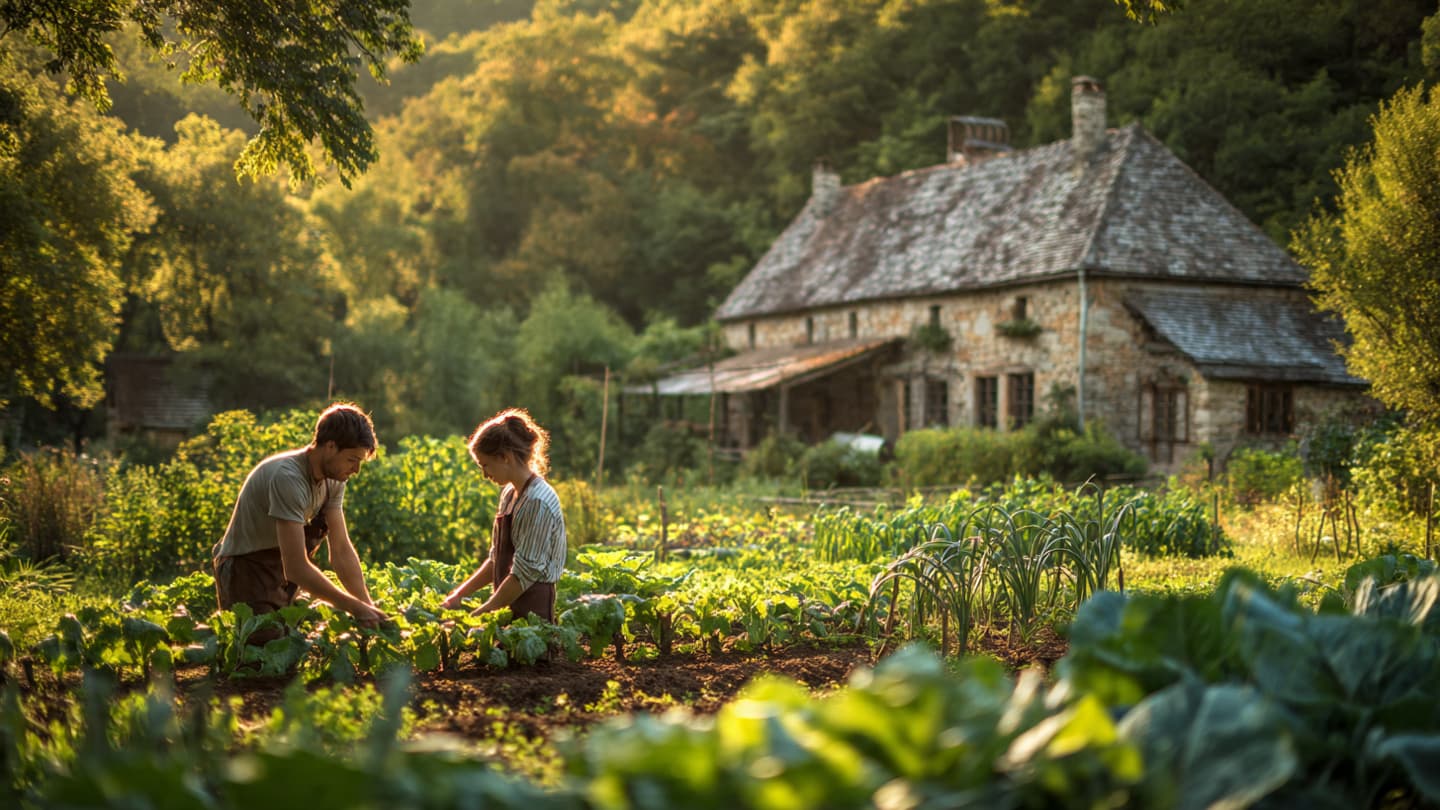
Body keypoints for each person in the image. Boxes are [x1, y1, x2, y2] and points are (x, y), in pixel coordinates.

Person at [212, 402, 388, 633]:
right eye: (352, 460)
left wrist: (368, 606)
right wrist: (354, 607)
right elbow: (295, 567)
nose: (356, 470)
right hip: (245, 571)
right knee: (263, 652)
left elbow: (342, 551)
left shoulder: (334, 479)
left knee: (298, 646)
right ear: (331, 447)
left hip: (282, 573)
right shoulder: (288, 478)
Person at [441, 408, 566, 622]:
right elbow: (495, 559)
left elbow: (522, 575)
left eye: (486, 465)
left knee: (527, 654)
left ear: (505, 458)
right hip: (506, 602)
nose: (484, 474)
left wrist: (482, 613)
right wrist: (459, 595)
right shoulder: (510, 493)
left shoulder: (537, 501)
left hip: (532, 610)